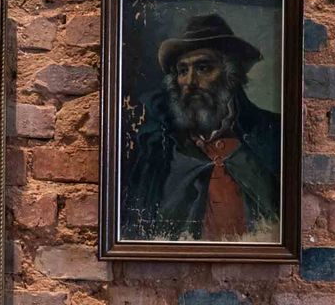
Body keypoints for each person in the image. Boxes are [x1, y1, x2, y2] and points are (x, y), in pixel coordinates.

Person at [120, 13, 283, 244]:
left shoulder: (271, 133)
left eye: (204, 68)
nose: (189, 82)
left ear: (231, 74)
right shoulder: (156, 148)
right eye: (182, 71)